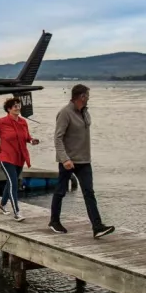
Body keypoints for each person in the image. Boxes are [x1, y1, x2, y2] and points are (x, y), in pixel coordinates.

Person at [49, 84, 115, 238]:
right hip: (68, 161)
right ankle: (54, 221)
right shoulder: (65, 113)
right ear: (81, 97)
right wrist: (65, 159)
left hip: (84, 161)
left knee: (89, 192)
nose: (89, 98)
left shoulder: (85, 112)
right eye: (87, 96)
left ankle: (97, 227)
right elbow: (58, 138)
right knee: (60, 191)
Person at [0, 97, 40, 222]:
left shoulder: (23, 122)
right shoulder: (2, 122)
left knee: (10, 182)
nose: (18, 108)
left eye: (19, 105)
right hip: (5, 157)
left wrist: (32, 141)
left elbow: (27, 137)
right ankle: (17, 212)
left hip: (19, 158)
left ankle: (3, 205)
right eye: (15, 106)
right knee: (14, 183)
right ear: (9, 109)